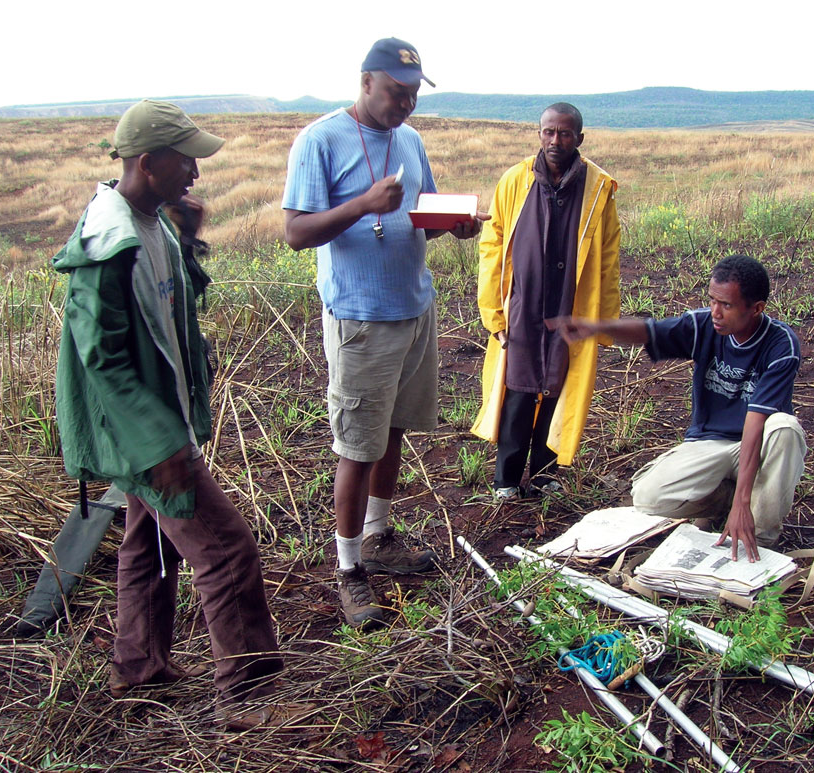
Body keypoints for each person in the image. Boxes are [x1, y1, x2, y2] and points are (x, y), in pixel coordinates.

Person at [54, 100, 308, 731]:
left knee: (148, 547)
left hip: (158, 427)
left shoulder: (152, 221)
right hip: (145, 437)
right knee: (226, 551)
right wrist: (159, 446)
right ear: (148, 162)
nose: (195, 169)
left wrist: (189, 237)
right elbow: (102, 361)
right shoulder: (105, 242)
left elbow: (175, 306)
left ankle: (140, 668)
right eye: (186, 158)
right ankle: (247, 695)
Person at [282, 38, 486, 628]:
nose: (407, 104)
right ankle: (349, 570)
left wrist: (457, 225)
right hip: (361, 319)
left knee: (392, 430)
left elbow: (420, 209)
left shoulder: (411, 140)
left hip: (413, 308)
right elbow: (297, 233)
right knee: (356, 447)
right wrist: (362, 203)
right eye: (398, 91)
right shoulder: (319, 140)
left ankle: (378, 535)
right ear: (366, 81)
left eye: (415, 93)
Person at [553, 254, 806, 562]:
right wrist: (596, 327)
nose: (716, 312)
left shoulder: (780, 344)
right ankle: (724, 503)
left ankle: (760, 537)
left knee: (785, 428)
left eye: (726, 305)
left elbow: (756, 421)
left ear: (756, 309)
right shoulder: (703, 325)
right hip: (711, 443)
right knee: (648, 497)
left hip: (758, 443)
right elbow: (651, 331)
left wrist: (743, 506)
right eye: (712, 300)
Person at [471, 103, 620, 501]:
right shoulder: (515, 181)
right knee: (517, 389)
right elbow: (492, 246)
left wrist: (603, 321)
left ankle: (543, 473)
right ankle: (506, 478)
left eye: (565, 134)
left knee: (558, 388)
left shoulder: (598, 188)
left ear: (579, 139)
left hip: (571, 305)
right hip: (522, 303)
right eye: (549, 132)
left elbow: (608, 257)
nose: (556, 141)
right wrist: (494, 312)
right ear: (539, 134)